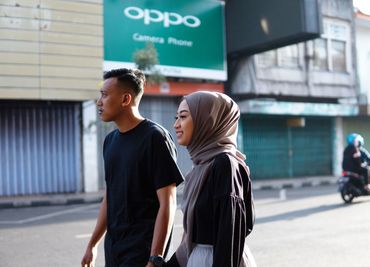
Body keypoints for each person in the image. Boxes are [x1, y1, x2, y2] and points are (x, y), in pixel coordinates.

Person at [81, 68, 184, 267]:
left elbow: (168, 202)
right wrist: (92, 244)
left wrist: (155, 258)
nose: (99, 102)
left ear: (125, 99)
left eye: (104, 95)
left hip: (142, 253)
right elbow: (110, 196)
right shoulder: (110, 141)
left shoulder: (155, 138)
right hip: (114, 250)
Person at [166, 91, 256, 267]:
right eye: (176, 117)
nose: (176, 124)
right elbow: (190, 239)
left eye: (183, 117)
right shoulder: (201, 166)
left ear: (208, 121)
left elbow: (229, 237)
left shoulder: (225, 164)